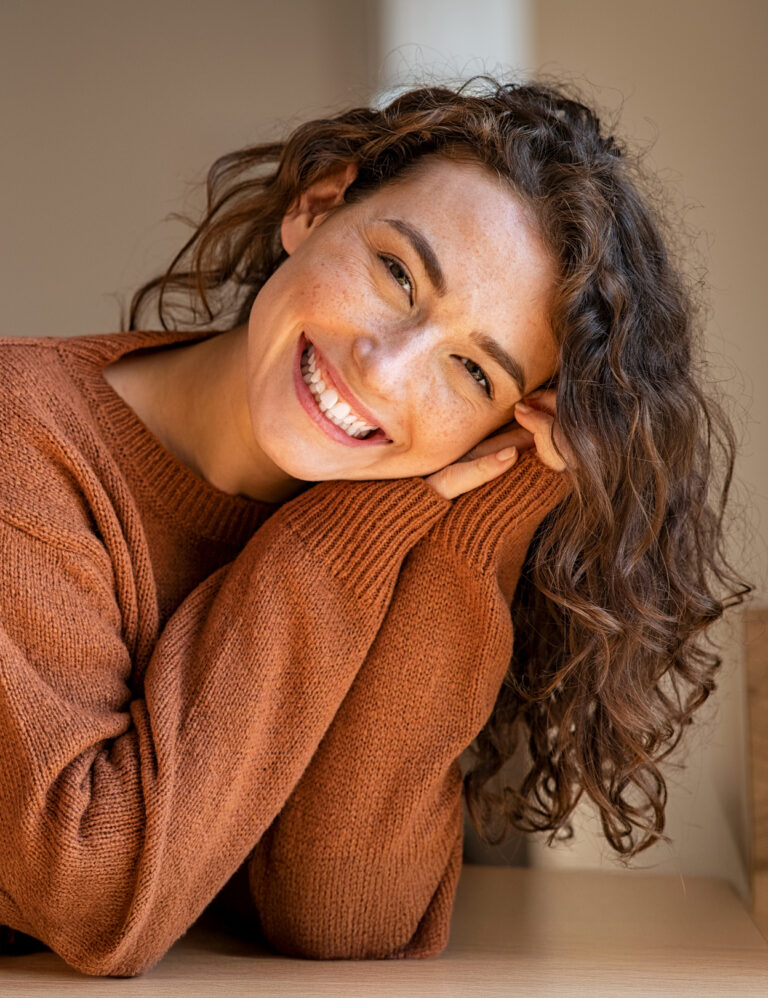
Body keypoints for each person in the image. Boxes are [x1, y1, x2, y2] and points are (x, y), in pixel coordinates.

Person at [0, 76, 750, 977]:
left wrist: (484, 509)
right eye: (397, 273)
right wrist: (332, 538)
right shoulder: (24, 438)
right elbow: (94, 894)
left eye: (474, 374)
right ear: (316, 209)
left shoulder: (404, 501)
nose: (386, 372)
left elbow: (347, 917)